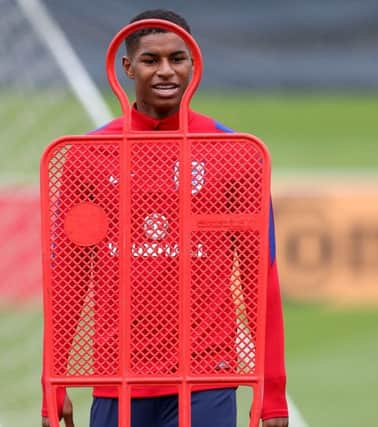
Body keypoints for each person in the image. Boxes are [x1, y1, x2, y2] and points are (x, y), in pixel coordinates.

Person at [41, 9, 288, 427]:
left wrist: (273, 395)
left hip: (208, 375)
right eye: (151, 60)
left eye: (178, 58)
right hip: (116, 374)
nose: (166, 71)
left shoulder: (235, 152)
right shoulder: (87, 154)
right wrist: (54, 382)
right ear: (127, 67)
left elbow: (260, 278)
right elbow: (67, 277)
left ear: (195, 62)